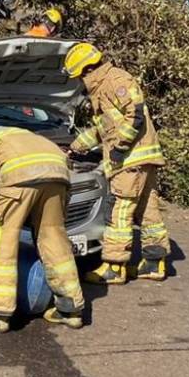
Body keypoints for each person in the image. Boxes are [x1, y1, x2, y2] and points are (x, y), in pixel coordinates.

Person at [0, 121, 85, 333]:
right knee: (54, 239)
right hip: (58, 174)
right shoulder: (13, 133)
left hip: (19, 176)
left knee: (1, 240)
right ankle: (70, 310)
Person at [64, 42, 169, 285]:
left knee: (118, 210)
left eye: (79, 76)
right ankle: (154, 264)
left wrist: (120, 149)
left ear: (88, 70)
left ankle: (114, 266)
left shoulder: (115, 80)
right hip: (143, 158)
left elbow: (136, 115)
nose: (79, 82)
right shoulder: (102, 87)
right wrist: (75, 147)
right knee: (147, 211)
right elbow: (103, 131)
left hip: (131, 159)